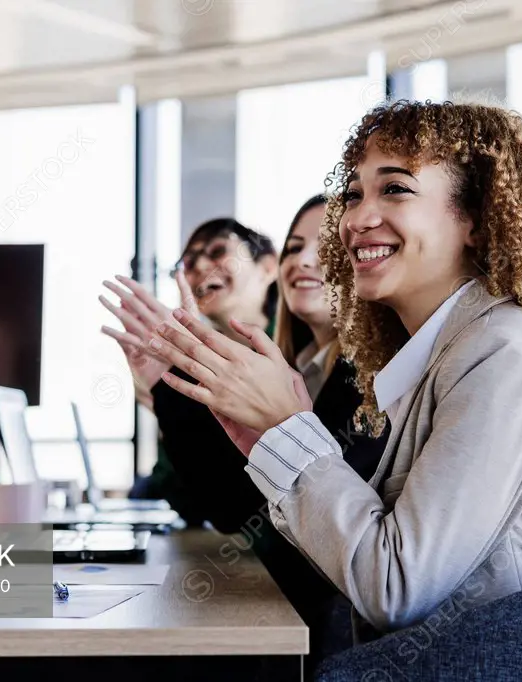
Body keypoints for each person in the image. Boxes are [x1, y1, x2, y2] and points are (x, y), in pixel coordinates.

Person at [144, 99, 522, 643]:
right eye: (353, 194)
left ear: (475, 218)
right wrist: (269, 439)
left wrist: (290, 424)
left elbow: (395, 587)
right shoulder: (433, 358)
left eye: (394, 188)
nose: (355, 219)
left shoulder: (501, 359)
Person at [104, 198, 389, 670]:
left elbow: (266, 514)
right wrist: (169, 389)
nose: (302, 260)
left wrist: (178, 385)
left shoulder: (366, 376)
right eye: (294, 248)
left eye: (325, 246)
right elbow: (233, 503)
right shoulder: (305, 369)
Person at [99, 218, 279, 525]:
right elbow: (188, 498)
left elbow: (247, 508)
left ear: (268, 266)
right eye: (188, 262)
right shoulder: (198, 365)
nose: (199, 267)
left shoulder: (295, 352)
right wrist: (166, 402)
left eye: (218, 250)